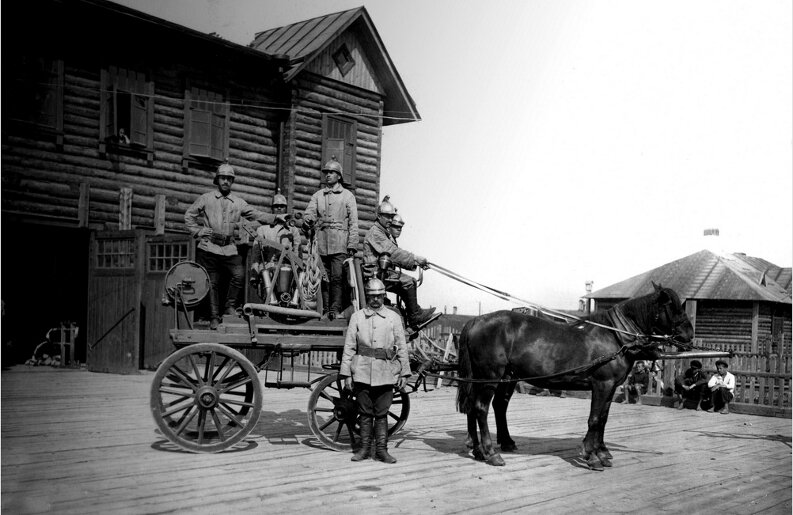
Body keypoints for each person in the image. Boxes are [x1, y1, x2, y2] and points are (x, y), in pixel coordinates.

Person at [185, 163, 285, 330]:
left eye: (229, 179)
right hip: (209, 247)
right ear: (217, 180)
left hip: (229, 247)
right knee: (212, 283)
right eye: (223, 178)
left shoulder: (238, 202)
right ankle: (214, 317)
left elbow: (256, 214)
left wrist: (276, 218)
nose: (226, 182)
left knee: (238, 275)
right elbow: (189, 216)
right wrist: (198, 231)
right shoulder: (206, 198)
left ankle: (230, 307)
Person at [340, 278, 411, 464]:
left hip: (385, 372)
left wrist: (404, 372)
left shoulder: (393, 317)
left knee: (381, 414)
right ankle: (363, 449)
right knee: (364, 413)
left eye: (379, 296)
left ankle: (381, 451)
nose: (375, 300)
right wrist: (346, 374)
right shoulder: (357, 317)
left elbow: (401, 346)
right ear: (367, 297)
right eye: (372, 296)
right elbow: (349, 347)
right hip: (362, 371)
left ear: (384, 296)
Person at [362, 197, 435, 330]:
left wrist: (415, 261)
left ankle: (413, 314)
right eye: (387, 217)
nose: (390, 219)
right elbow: (393, 253)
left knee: (408, 281)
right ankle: (414, 317)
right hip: (375, 275)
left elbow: (394, 253)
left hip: (380, 272)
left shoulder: (382, 232)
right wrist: (415, 259)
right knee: (409, 282)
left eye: (392, 217)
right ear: (379, 216)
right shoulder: (376, 233)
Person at [303, 157, 359, 319]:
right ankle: (326, 310)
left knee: (337, 278)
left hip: (340, 244)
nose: (328, 175)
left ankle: (335, 309)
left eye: (332, 172)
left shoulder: (347, 196)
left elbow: (354, 223)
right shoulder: (318, 196)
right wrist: (308, 219)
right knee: (324, 278)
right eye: (326, 172)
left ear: (339, 176)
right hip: (322, 244)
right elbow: (310, 212)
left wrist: (352, 244)